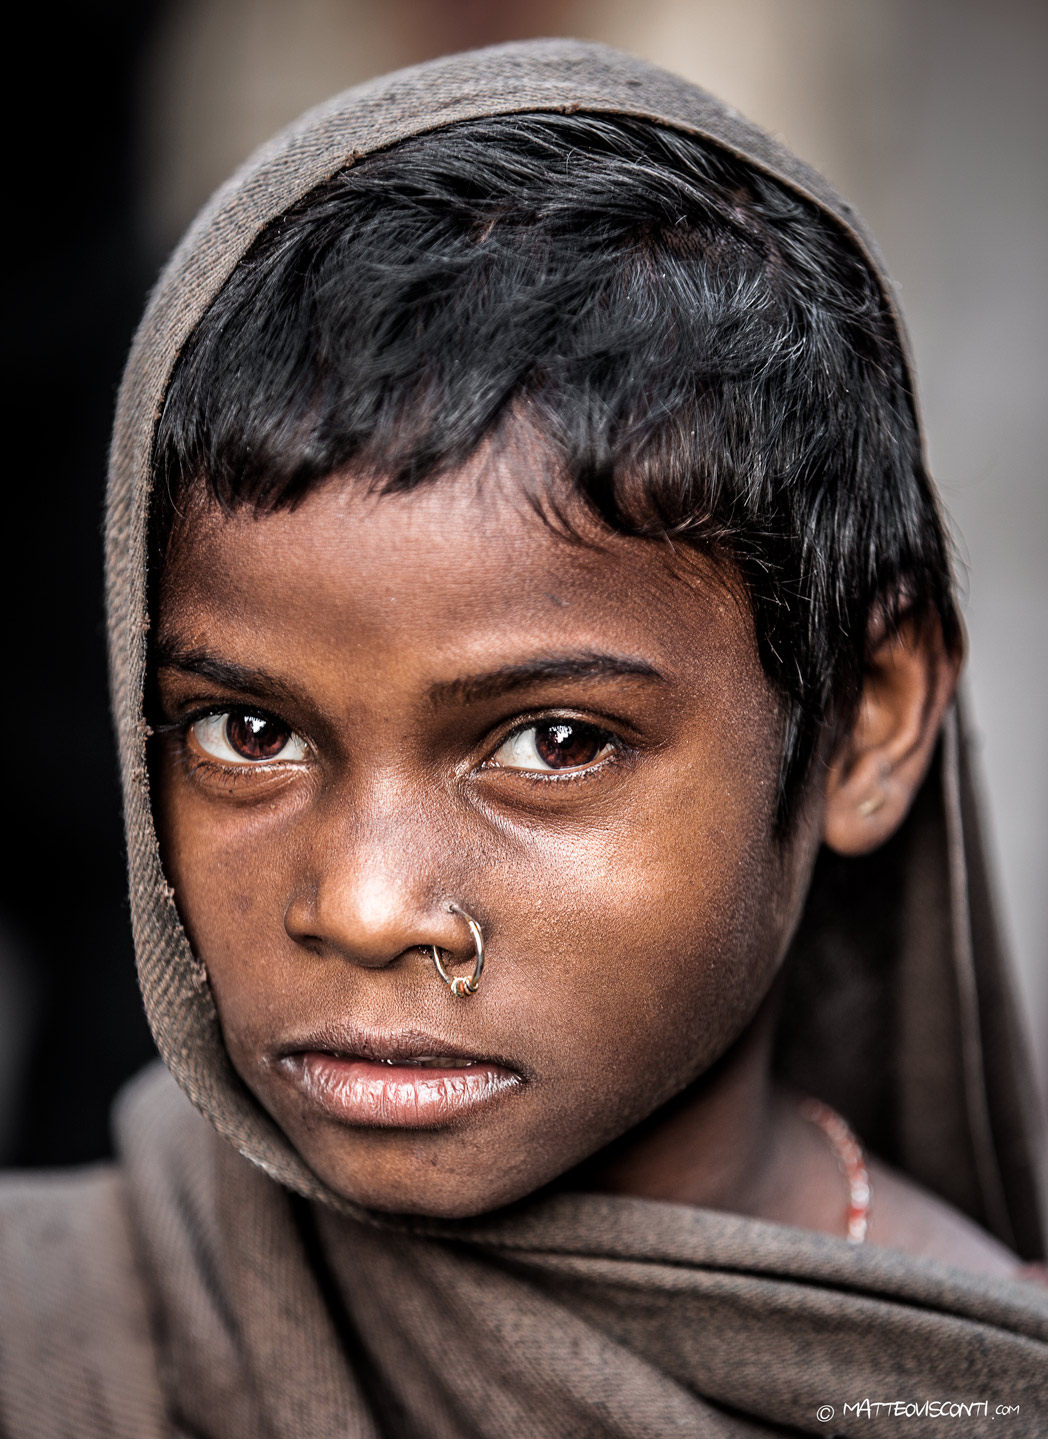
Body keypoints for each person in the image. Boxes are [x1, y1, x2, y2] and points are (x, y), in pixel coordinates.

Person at [2, 38, 1045, 1440]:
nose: (365, 908)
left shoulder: (977, 1401)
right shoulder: (47, 1331)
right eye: (248, 731)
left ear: (868, 723)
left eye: (553, 742)